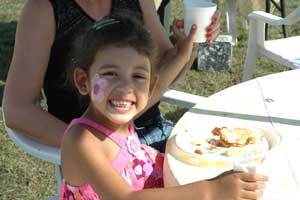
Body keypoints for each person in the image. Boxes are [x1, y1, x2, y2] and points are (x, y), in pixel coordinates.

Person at [60, 15, 268, 200]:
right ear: (83, 81)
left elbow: (159, 85)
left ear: (148, 87)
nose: (126, 88)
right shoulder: (82, 140)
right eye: (111, 74)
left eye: (138, 76)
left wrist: (186, 51)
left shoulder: (118, 113)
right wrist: (211, 191)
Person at [3, 0, 220, 153]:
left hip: (153, 133)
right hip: (97, 151)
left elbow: (166, 76)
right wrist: (89, 144)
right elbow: (17, 110)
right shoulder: (44, 9)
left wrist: (191, 44)